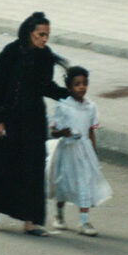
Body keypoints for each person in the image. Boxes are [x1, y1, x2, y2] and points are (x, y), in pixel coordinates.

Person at [0, 12, 69, 237]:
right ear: (29, 33)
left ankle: (31, 222)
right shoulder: (10, 53)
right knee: (2, 165)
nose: (45, 39)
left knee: (34, 167)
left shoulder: (45, 56)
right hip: (7, 117)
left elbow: (45, 86)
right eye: (41, 34)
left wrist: (68, 96)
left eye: (47, 35)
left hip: (33, 119)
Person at [47, 66, 112, 236]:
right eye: (77, 84)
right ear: (69, 87)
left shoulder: (90, 107)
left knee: (85, 183)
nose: (81, 87)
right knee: (63, 182)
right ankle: (59, 215)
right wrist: (63, 132)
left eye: (84, 84)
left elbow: (90, 131)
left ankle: (84, 221)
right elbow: (53, 131)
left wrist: (94, 152)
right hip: (67, 149)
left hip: (84, 150)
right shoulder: (63, 106)